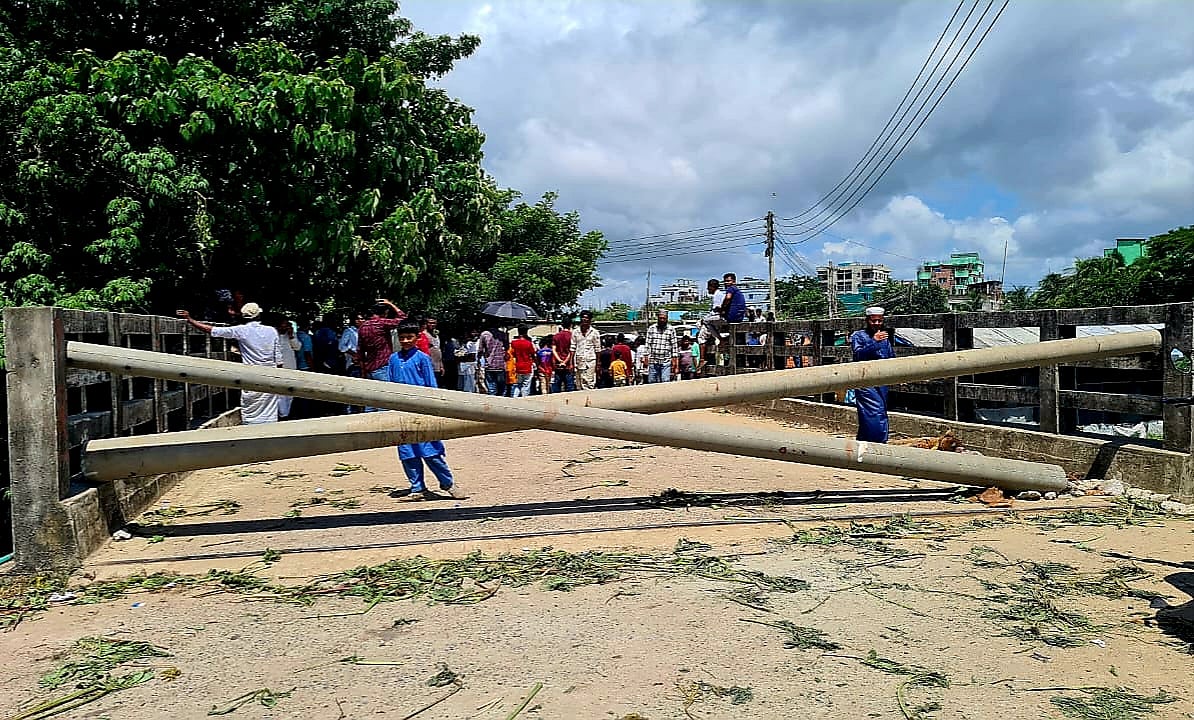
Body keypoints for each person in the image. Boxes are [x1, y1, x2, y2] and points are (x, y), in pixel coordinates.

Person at [386, 321, 462, 502]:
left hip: (422, 411)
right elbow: (388, 385)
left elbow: (431, 386)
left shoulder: (422, 358)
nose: (405, 341)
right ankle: (417, 487)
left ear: (416, 338)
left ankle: (448, 483)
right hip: (401, 412)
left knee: (430, 451)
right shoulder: (393, 359)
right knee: (407, 452)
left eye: (409, 337)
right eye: (402, 338)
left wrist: (434, 408)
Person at [177, 302, 282, 424]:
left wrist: (190, 320)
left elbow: (212, 330)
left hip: (251, 375)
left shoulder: (241, 330)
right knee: (269, 412)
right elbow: (278, 357)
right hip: (270, 374)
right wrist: (279, 374)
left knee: (250, 410)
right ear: (259, 315)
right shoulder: (271, 331)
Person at [850, 306, 896, 443]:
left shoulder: (885, 338)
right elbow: (858, 355)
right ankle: (879, 445)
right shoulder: (858, 336)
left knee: (872, 415)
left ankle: (863, 444)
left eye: (879, 321)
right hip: (865, 382)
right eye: (873, 321)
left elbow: (890, 357)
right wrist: (873, 342)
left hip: (881, 382)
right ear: (867, 320)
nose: (876, 324)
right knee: (875, 413)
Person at [359, 300, 407, 411]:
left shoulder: (363, 327)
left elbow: (360, 351)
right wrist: (391, 304)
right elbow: (403, 319)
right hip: (383, 366)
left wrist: (363, 371)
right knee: (385, 402)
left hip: (370, 368)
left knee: (370, 402)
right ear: (385, 312)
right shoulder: (381, 323)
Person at [269, 312, 301, 418]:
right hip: (277, 368)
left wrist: (292, 336)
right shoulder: (272, 334)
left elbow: (297, 347)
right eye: (284, 324)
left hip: (291, 367)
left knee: (290, 393)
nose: (286, 326)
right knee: (280, 394)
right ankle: (282, 415)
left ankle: (286, 414)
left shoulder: (290, 334)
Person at [696, 278, 726, 373]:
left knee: (701, 336)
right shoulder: (720, 294)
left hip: (718, 317)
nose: (708, 289)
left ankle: (702, 358)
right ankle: (717, 338)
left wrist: (704, 318)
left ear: (712, 287)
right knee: (705, 324)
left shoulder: (717, 295)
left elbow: (716, 309)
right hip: (719, 318)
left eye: (708, 287)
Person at [645, 309, 679, 383]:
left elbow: (674, 346)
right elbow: (647, 344)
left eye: (664, 318)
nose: (662, 320)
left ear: (667, 319)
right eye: (660, 318)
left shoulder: (671, 329)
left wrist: (675, 361)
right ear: (658, 318)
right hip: (653, 361)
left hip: (666, 361)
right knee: (651, 381)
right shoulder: (652, 328)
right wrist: (646, 357)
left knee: (665, 381)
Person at [571, 310, 602, 391]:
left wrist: (598, 363)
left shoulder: (595, 332)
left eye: (586, 318)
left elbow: (598, 348)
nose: (584, 320)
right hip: (579, 360)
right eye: (583, 318)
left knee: (589, 382)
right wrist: (571, 363)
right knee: (579, 383)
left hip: (591, 361)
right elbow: (573, 348)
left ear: (590, 320)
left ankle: (589, 400)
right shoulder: (575, 332)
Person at [478, 324, 507, 396]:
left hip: (489, 364)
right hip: (500, 364)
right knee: (502, 388)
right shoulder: (502, 334)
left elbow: (480, 350)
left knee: (491, 388)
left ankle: (493, 402)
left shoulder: (484, 334)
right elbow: (507, 347)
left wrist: (479, 360)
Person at [510, 324, 537, 397]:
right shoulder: (529, 343)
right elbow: (533, 355)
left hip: (518, 366)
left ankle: (514, 398)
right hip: (527, 366)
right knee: (526, 385)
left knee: (518, 384)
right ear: (526, 332)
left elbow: (513, 354)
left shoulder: (513, 343)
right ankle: (524, 399)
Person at [552, 318, 576, 393]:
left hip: (558, 365)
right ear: (571, 325)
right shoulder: (572, 336)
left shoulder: (556, 336)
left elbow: (554, 350)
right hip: (569, 365)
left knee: (557, 385)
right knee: (569, 386)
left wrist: (560, 360)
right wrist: (565, 361)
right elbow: (571, 351)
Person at [456, 328, 479, 393]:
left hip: (469, 365)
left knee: (469, 382)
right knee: (463, 382)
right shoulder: (464, 344)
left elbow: (472, 356)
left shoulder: (471, 343)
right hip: (464, 365)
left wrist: (462, 357)